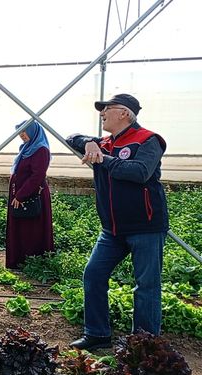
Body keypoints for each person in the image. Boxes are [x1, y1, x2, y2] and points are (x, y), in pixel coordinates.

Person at [66, 94, 169, 351]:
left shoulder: (149, 140)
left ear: (124, 113)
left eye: (106, 109)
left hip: (146, 227)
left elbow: (139, 171)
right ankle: (98, 334)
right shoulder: (105, 142)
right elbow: (70, 138)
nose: (102, 113)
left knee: (146, 286)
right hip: (111, 230)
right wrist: (89, 142)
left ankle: (144, 345)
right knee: (93, 274)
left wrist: (103, 158)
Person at [6, 120, 54, 269]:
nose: (22, 135)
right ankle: (19, 260)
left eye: (24, 131)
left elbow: (37, 176)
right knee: (21, 228)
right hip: (20, 195)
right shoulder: (26, 148)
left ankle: (32, 262)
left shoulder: (41, 150)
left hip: (31, 196)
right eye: (19, 132)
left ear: (33, 131)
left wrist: (21, 195)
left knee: (31, 230)